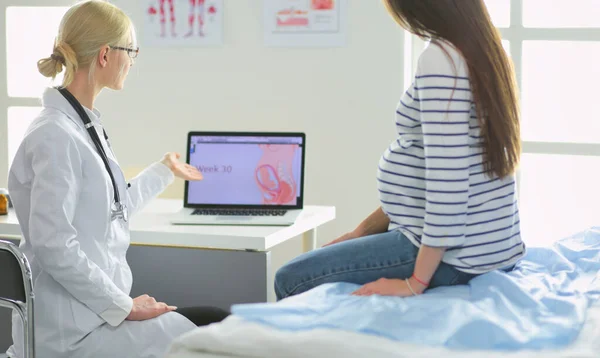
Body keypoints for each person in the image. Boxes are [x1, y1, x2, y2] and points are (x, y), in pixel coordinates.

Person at [6, 1, 228, 357]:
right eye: (131, 50)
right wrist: (123, 305)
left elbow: (113, 208)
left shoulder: (80, 126)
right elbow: (53, 245)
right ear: (106, 55)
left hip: (92, 315)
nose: (133, 60)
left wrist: (163, 170)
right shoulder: (55, 135)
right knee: (216, 326)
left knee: (216, 324)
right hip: (70, 334)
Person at [274, 0, 525, 300]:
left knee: (290, 278)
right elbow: (447, 175)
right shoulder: (483, 50)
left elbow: (448, 186)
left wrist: (414, 283)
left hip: (454, 258)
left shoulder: (442, 59)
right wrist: (362, 232)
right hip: (490, 250)